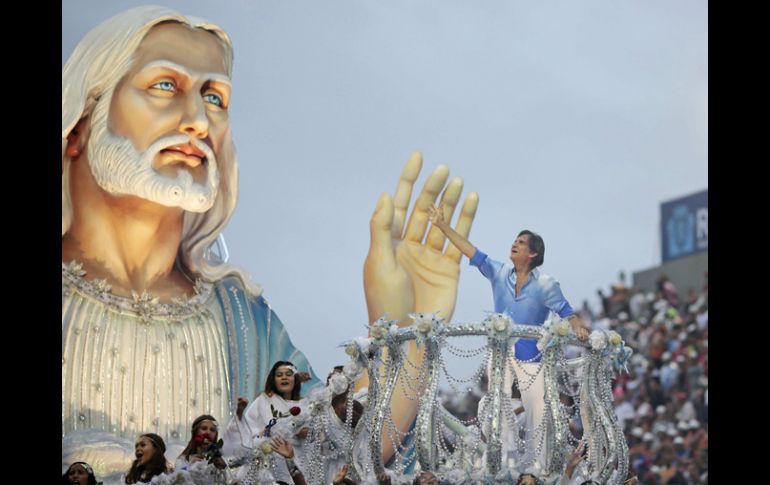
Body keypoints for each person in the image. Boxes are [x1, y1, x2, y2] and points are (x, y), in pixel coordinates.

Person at [62, 6, 478, 480]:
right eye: (165, 86)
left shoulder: (242, 318)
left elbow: (331, 456)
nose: (198, 119)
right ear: (80, 123)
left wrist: (405, 338)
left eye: (215, 97)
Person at [428, 203, 589, 473]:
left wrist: (580, 328)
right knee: (496, 401)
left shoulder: (547, 284)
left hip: (530, 356)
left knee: (536, 408)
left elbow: (568, 313)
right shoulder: (500, 272)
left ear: (533, 253)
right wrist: (442, 226)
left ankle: (539, 469)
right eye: (515, 240)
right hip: (501, 352)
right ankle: (503, 461)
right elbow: (471, 251)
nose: (514, 243)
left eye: (521, 242)